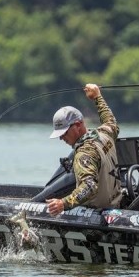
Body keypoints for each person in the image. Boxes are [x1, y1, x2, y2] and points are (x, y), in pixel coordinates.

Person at [46, 83, 122, 216]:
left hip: (98, 217)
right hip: (117, 206)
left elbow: (89, 187)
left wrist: (63, 203)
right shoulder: (104, 134)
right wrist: (97, 96)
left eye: (64, 132)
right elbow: (111, 121)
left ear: (78, 125)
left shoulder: (84, 153)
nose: (61, 138)